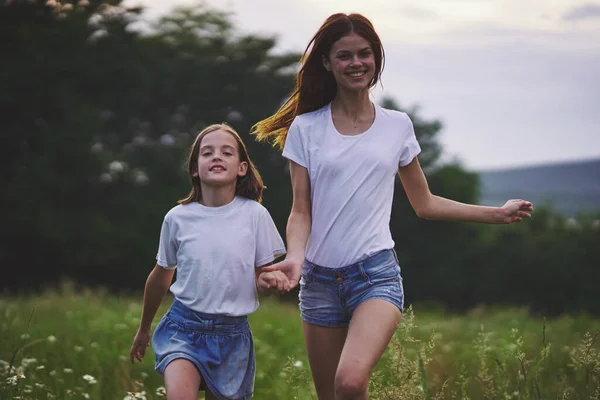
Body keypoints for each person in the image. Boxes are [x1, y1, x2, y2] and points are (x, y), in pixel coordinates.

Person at [251, 13, 534, 400]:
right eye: (345, 56)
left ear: (376, 58)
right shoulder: (306, 128)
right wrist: (296, 260)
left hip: (374, 275)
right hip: (318, 282)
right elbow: (301, 210)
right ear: (327, 63)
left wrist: (495, 213)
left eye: (364, 54)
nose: (356, 63)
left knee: (349, 382)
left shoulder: (397, 126)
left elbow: (425, 203)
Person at [129, 123, 288, 400]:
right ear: (194, 168)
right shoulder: (177, 218)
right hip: (183, 329)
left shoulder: (255, 215)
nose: (216, 157)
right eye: (207, 153)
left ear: (241, 168)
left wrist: (269, 280)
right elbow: (160, 276)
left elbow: (261, 275)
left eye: (226, 152)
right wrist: (144, 329)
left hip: (232, 336)